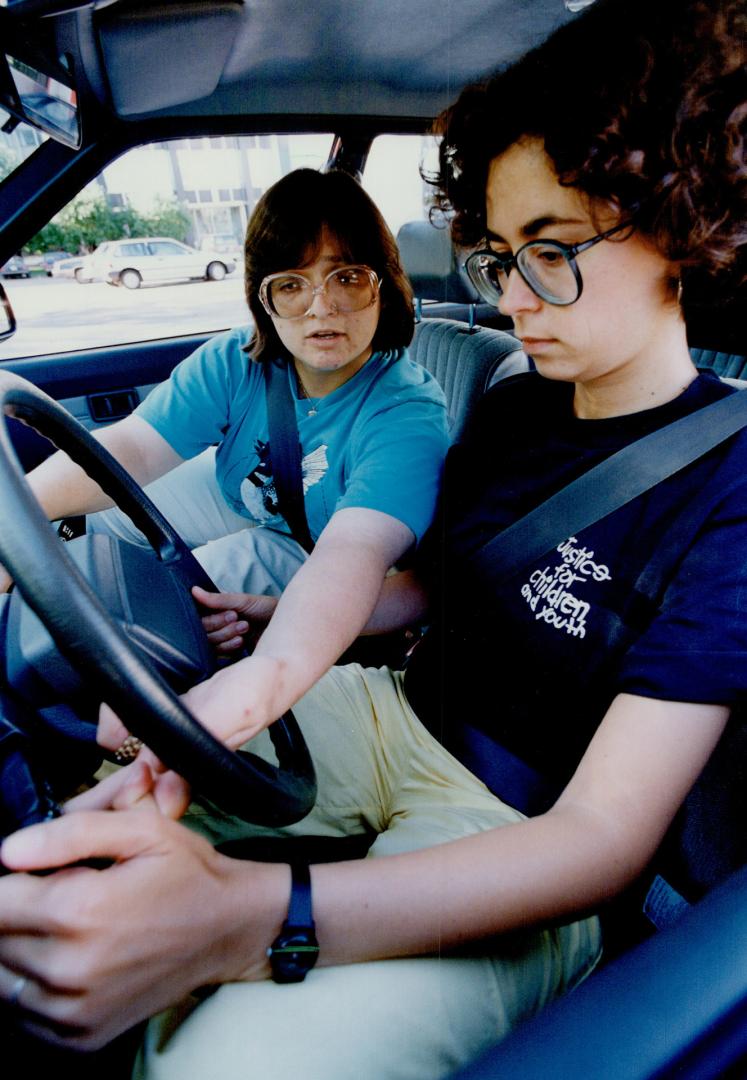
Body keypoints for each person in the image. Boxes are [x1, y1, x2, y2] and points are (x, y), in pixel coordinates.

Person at [0, 1, 745, 1077]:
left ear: (683, 221)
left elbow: (599, 843)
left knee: (237, 1066)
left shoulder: (732, 479)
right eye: (496, 255)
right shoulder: (519, 405)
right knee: (79, 860)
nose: (511, 297)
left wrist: (255, 915)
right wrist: (268, 632)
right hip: (387, 708)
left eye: (550, 251)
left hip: (514, 828)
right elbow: (438, 586)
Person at [0, 167, 449, 744]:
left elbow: (353, 554)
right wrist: (18, 519)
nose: (322, 307)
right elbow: (132, 449)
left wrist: (263, 667)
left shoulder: (405, 414)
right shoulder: (238, 361)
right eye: (292, 284)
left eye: (348, 277)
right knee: (101, 514)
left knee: (188, 591)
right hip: (245, 496)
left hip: (314, 545)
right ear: (264, 297)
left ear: (382, 284)